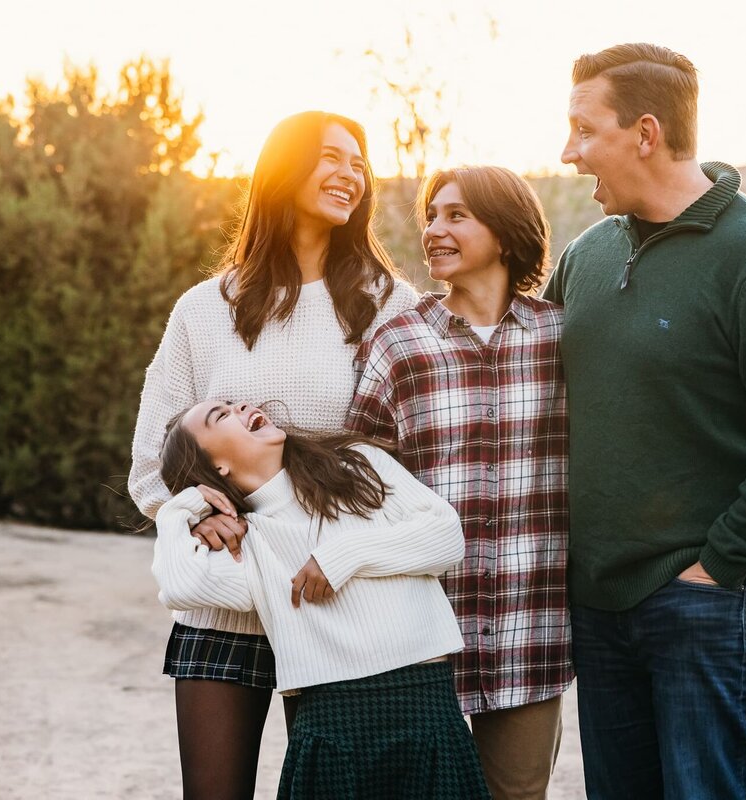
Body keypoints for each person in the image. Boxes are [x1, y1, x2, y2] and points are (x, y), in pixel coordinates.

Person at [542, 43, 746, 799]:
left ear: (645, 133)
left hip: (714, 602)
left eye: (584, 130)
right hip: (601, 602)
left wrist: (720, 567)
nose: (568, 152)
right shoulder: (586, 255)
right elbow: (526, 395)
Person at [128, 111, 418, 799]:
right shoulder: (205, 309)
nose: (350, 174)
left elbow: (408, 461)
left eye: (359, 162)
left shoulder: (390, 305)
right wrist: (194, 506)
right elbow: (151, 464)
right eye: (330, 157)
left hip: (335, 604)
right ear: (283, 169)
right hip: (225, 607)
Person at [347, 165, 571, 800]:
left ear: (504, 232)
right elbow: (357, 479)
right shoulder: (397, 343)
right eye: (431, 216)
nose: (433, 230)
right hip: (420, 627)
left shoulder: (560, 337)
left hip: (532, 625)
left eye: (455, 215)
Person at [151, 398, 490, 799]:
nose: (240, 405)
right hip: (331, 722)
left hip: (424, 703)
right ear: (217, 467)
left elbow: (446, 539)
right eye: (221, 415)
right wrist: (180, 510)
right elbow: (181, 587)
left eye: (232, 404)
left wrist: (341, 557)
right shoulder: (251, 542)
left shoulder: (358, 464)